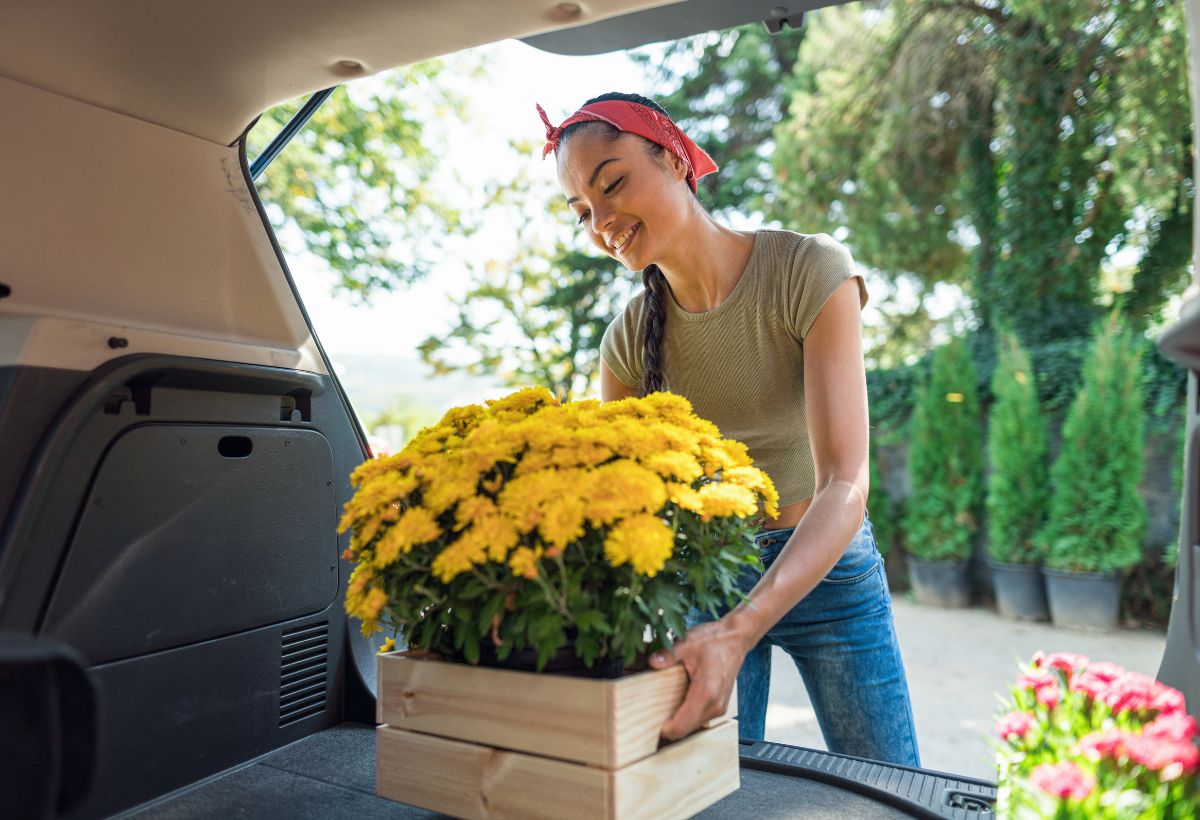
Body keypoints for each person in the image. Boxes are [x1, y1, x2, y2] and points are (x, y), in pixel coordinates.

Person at [538, 92, 920, 767]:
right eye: (582, 213)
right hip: (706, 583)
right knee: (711, 794)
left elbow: (845, 481)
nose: (602, 223)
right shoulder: (626, 343)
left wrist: (742, 629)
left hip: (829, 570)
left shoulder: (809, 271)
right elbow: (625, 506)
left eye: (614, 183)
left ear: (676, 160)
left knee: (891, 790)